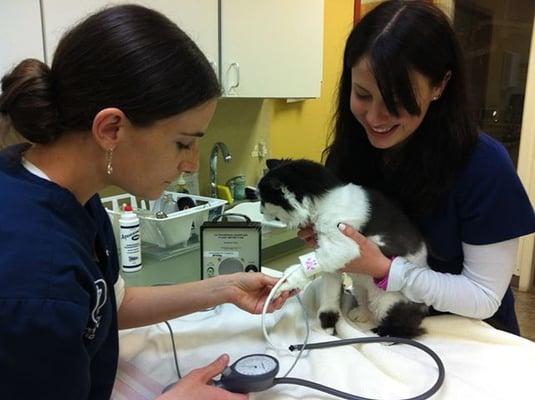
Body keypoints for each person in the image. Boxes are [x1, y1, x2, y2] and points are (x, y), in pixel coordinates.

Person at [0, 5, 292, 400]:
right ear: (111, 128)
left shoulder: (63, 188)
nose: (190, 163)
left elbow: (108, 304)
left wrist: (224, 288)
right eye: (182, 142)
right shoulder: (37, 281)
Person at [300, 0, 535, 335]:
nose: (375, 118)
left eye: (397, 101)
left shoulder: (484, 168)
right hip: (384, 322)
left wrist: (385, 268)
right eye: (362, 94)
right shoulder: (351, 153)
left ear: (439, 86)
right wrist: (329, 239)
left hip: (469, 335)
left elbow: (484, 298)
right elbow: (354, 251)